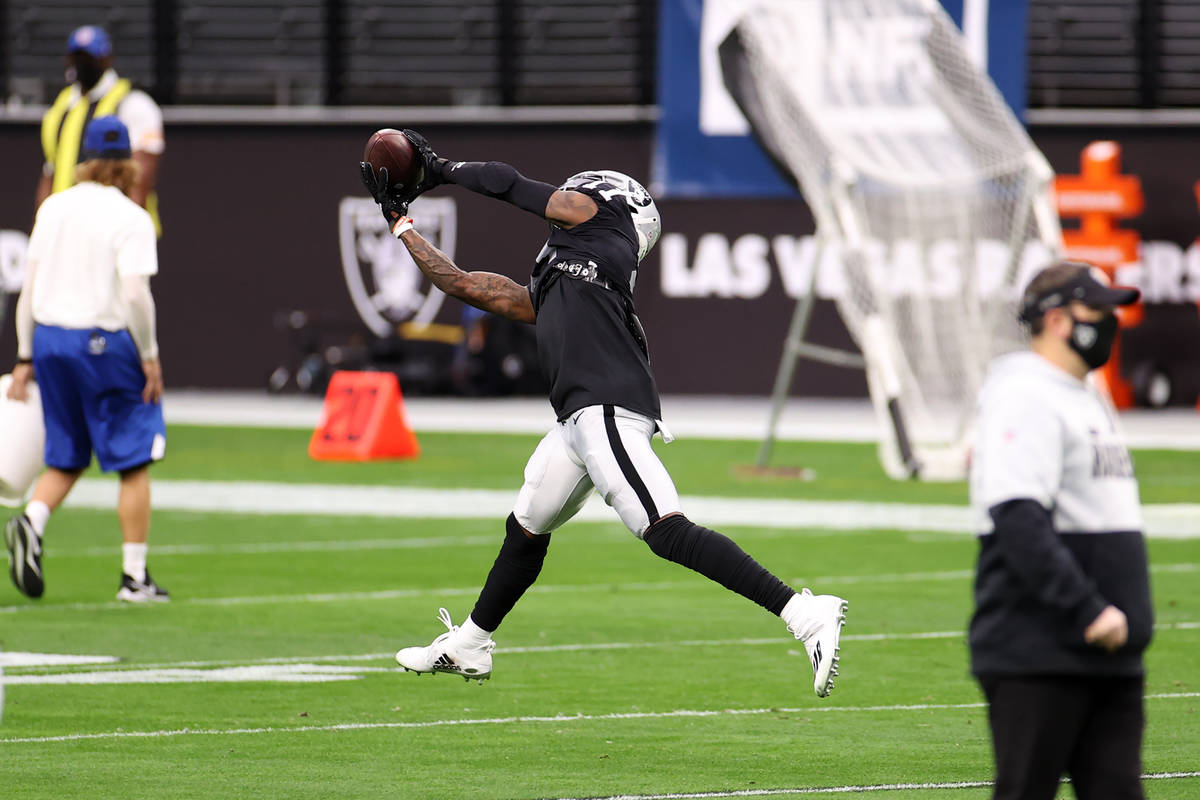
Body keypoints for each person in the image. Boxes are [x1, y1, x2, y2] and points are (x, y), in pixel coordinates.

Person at [359, 130, 848, 697]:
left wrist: (440, 169)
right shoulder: (562, 263)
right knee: (527, 524)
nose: (568, 199)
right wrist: (402, 226)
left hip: (607, 407)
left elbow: (513, 186)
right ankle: (471, 641)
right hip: (576, 421)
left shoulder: (603, 229)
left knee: (666, 531)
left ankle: (804, 612)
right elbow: (472, 287)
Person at [968, 261, 1153, 799]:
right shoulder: (1027, 394)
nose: (1110, 321)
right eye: (1096, 309)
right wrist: (1088, 609)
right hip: (1041, 651)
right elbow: (1016, 517)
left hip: (1111, 656)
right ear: (1056, 320)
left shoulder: (1082, 395)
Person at [5, 116, 169, 603]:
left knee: (67, 452)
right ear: (127, 166)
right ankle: (134, 576)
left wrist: (24, 354)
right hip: (104, 340)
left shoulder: (53, 208)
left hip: (51, 339)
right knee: (134, 461)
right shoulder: (131, 217)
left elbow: (29, 290)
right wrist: (151, 356)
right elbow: (136, 295)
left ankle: (31, 522)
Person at [38, 25, 164, 236]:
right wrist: (43, 229)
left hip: (111, 232)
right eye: (77, 57)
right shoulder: (61, 108)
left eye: (89, 58)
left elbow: (140, 179)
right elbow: (50, 171)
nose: (82, 64)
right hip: (66, 232)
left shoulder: (132, 103)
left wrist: (127, 235)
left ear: (107, 59)